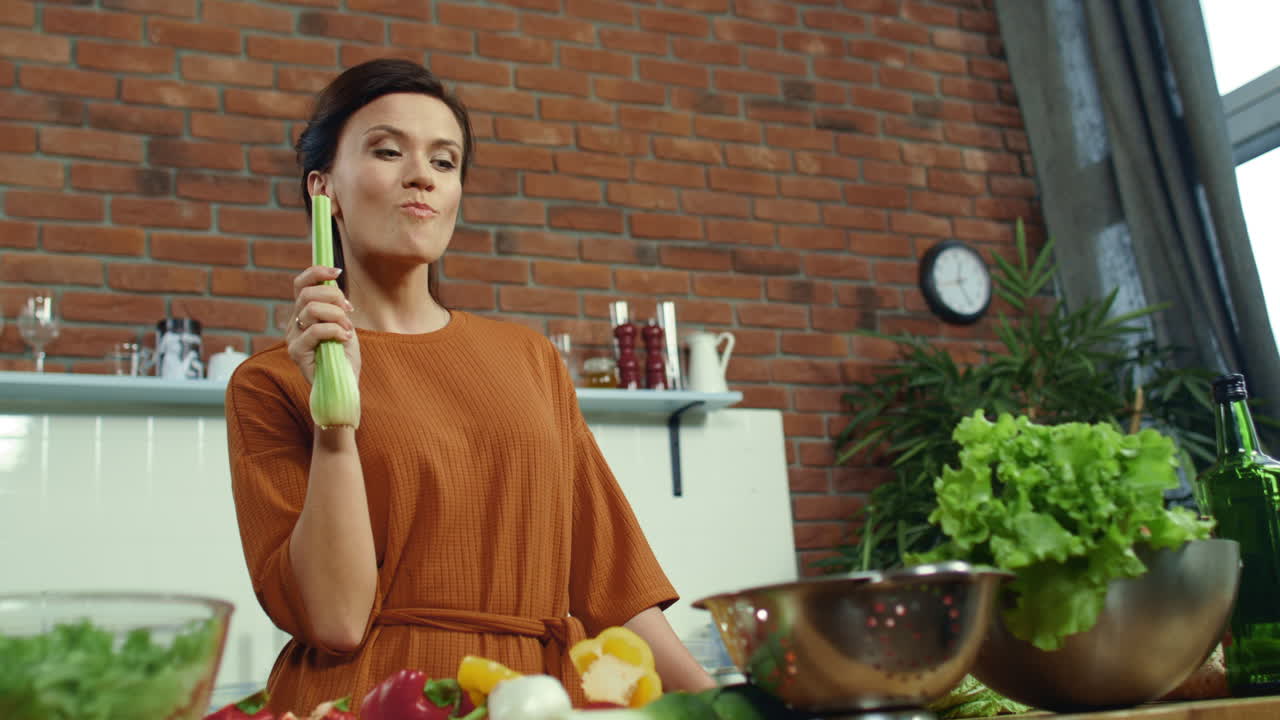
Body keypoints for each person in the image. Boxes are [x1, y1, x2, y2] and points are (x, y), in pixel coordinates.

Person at [224, 58, 715, 715]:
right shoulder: (270, 382)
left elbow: (611, 588)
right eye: (388, 150)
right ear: (324, 188)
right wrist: (335, 415)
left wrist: (720, 707)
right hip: (376, 698)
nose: (421, 175)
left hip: (539, 699)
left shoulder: (529, 358)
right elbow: (336, 621)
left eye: (446, 161)